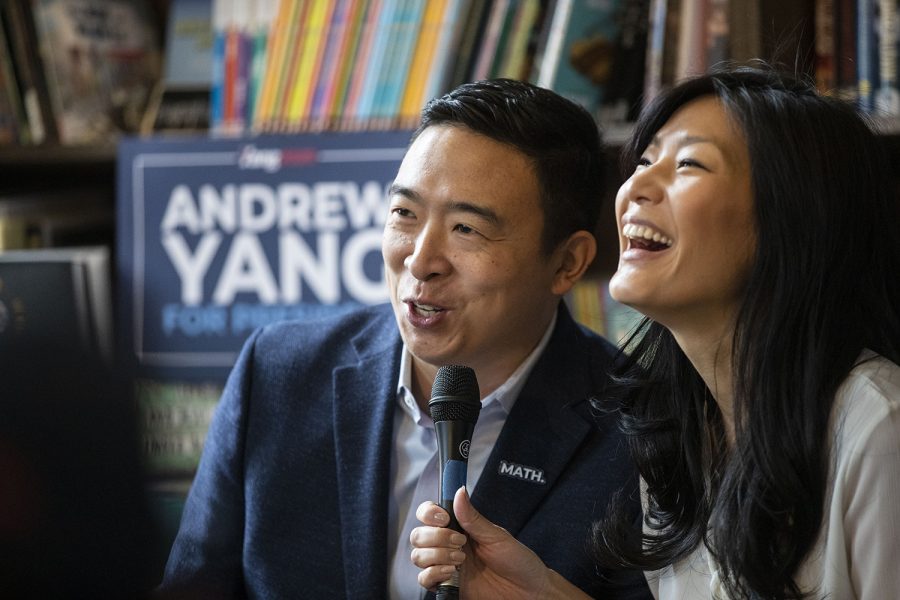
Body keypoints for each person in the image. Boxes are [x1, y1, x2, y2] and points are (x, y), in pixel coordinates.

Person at [411, 66, 900, 599]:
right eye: (643, 162)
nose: (635, 187)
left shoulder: (879, 427)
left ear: (793, 216)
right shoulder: (678, 440)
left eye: (688, 164)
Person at [159, 78, 652, 599]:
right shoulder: (279, 373)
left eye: (467, 229)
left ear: (567, 262)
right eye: (404, 214)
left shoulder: (646, 429)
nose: (420, 259)